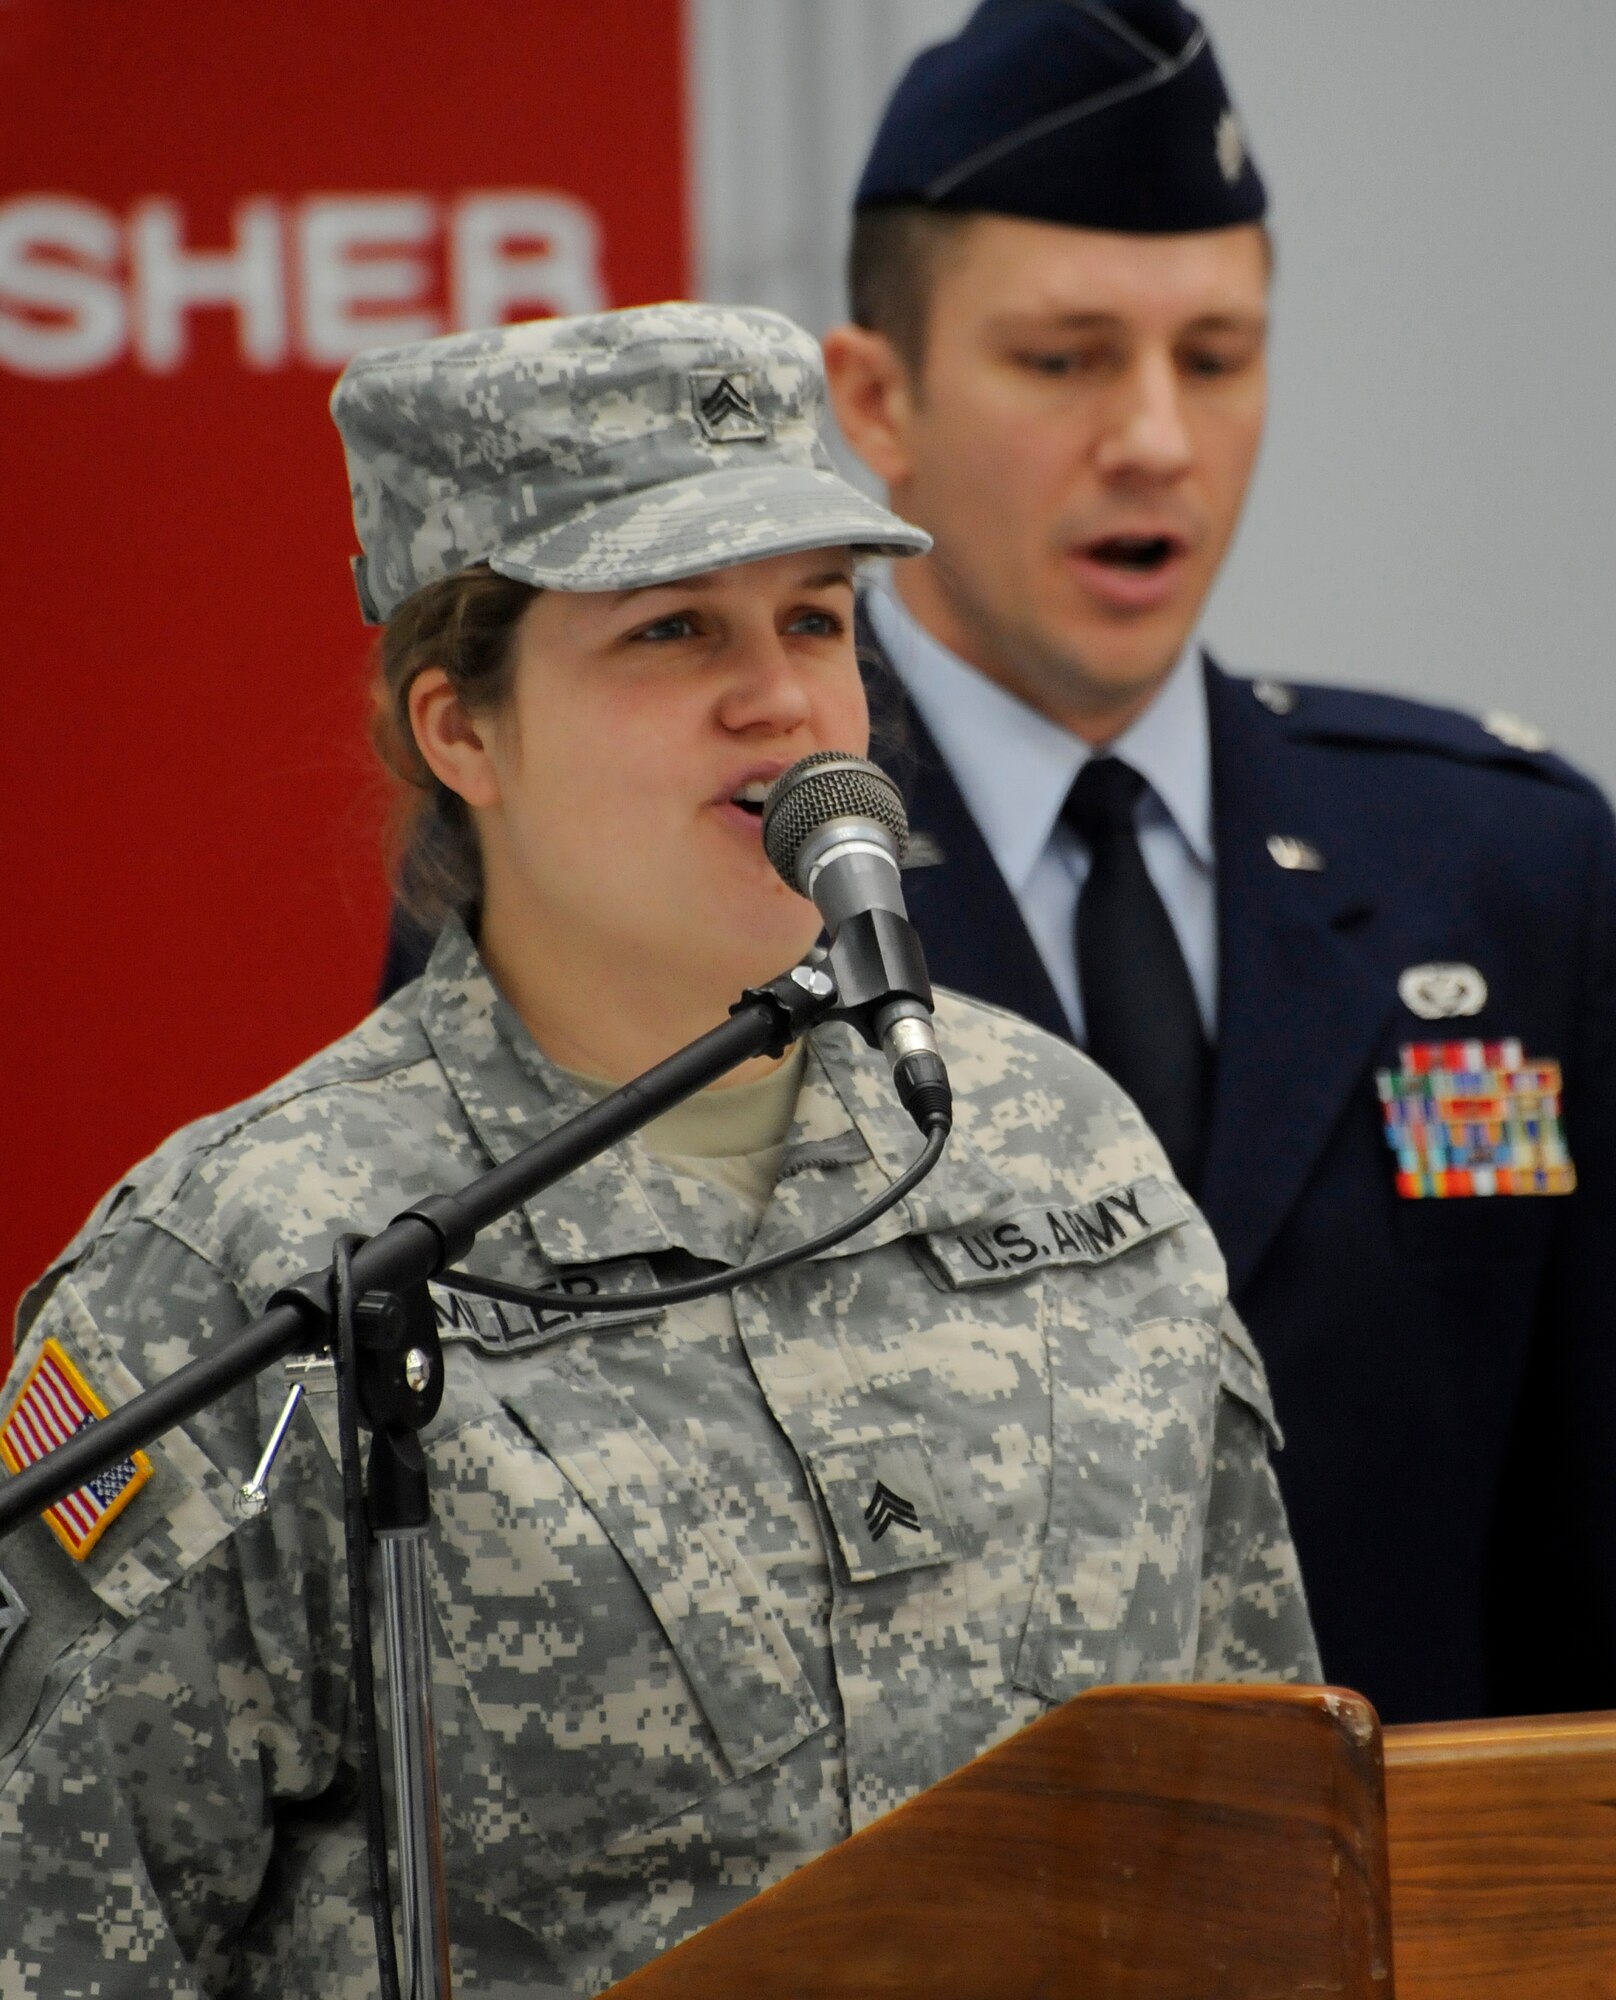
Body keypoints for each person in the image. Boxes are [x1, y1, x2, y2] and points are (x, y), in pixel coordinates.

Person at [0, 302, 1318, 1997]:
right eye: (675, 630)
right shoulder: (248, 1271)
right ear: (461, 731)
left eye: (818, 619)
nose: (780, 701)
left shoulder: (1061, 1153)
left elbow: (1277, 1850)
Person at [811, 0, 1616, 1725]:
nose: (1159, 439)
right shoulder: (691, 894)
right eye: (1067, 357)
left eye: (1218, 355)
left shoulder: (1504, 872)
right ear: (877, 400)